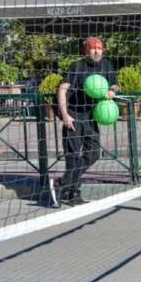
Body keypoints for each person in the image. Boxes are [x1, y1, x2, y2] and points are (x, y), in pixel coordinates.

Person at [54, 37, 117, 206]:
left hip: (91, 117)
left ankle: (62, 184)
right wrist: (65, 114)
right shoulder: (77, 66)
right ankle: (72, 194)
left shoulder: (106, 65)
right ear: (86, 50)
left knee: (93, 153)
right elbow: (62, 89)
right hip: (73, 117)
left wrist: (112, 91)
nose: (97, 51)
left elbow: (114, 85)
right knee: (72, 158)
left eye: (99, 48)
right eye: (93, 48)